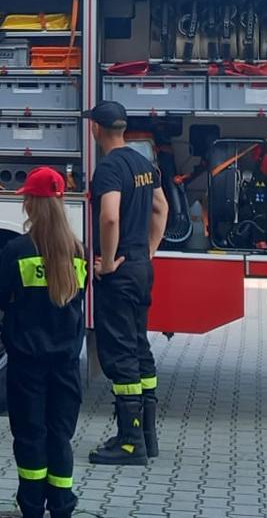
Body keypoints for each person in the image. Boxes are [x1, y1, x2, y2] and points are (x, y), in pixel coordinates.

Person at [0, 167, 87, 518]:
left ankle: (32, 506)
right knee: (60, 436)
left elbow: (5, 300)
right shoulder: (78, 252)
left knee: (30, 436)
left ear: (30, 204)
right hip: (66, 363)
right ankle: (62, 505)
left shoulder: (16, 250)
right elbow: (77, 301)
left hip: (27, 363)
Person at [83, 101, 168, 466]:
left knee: (119, 353)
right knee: (138, 346)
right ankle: (147, 437)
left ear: (95, 129)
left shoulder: (109, 168)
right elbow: (161, 208)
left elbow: (109, 217)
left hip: (119, 271)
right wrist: (148, 249)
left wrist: (107, 261)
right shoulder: (143, 163)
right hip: (140, 267)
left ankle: (129, 443)